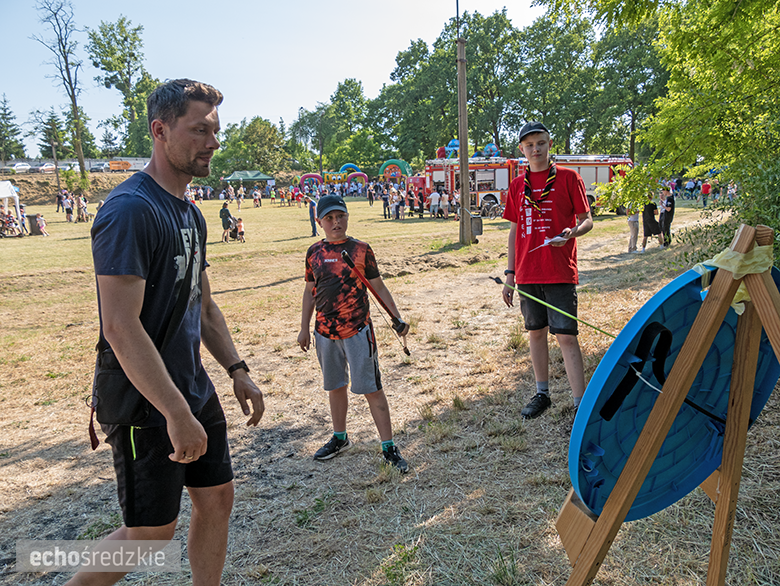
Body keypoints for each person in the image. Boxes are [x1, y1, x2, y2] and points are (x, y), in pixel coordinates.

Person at [67, 79, 264, 586]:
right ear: (160, 130)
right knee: (150, 535)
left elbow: (205, 305)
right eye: (199, 130)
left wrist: (237, 370)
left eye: (215, 130)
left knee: (217, 498)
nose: (213, 142)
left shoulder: (191, 214)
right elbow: (119, 325)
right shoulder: (130, 210)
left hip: (192, 385)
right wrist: (175, 412)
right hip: (143, 400)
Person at [297, 194, 410, 472]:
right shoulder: (314, 253)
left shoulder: (360, 249)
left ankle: (389, 447)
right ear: (319, 221)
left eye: (341, 216)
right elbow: (310, 291)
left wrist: (397, 317)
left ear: (347, 217)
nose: (336, 222)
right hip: (324, 332)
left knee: (372, 388)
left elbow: (379, 287)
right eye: (329, 218)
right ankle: (340, 437)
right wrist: (303, 328)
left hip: (358, 330)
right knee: (335, 387)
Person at [502, 121, 593, 419]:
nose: (535, 149)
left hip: (559, 271)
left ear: (549, 144)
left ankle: (580, 403)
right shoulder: (517, 186)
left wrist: (572, 232)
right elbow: (514, 232)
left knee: (566, 336)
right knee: (536, 333)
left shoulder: (569, 178)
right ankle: (542, 394)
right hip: (528, 273)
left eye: (540, 143)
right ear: (522, 150)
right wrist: (510, 274)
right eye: (529, 145)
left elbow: (587, 220)